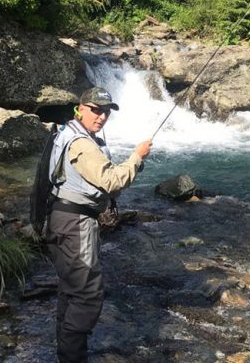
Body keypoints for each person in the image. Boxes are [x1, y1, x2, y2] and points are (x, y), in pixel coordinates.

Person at [45, 86, 152, 363]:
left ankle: (67, 355)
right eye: (96, 110)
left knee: (71, 289)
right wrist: (137, 157)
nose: (102, 116)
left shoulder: (66, 132)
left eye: (106, 112)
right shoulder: (81, 143)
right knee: (87, 294)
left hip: (60, 218)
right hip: (75, 223)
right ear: (80, 108)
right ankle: (72, 358)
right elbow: (111, 182)